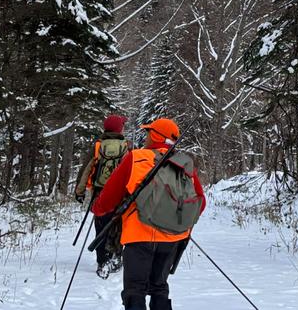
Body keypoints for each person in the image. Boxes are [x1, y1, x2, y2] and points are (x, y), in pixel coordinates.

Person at [92, 118, 206, 310]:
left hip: (139, 237)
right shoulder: (184, 164)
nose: (145, 137)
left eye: (148, 133)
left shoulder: (136, 157)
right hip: (173, 239)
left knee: (134, 290)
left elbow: (109, 197)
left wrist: (98, 208)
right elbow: (200, 202)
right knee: (159, 288)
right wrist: (173, 220)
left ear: (155, 136)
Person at [74, 114, 129, 276]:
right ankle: (116, 257)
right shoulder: (126, 147)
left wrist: (80, 191)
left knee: (101, 227)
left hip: (100, 194)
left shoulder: (98, 146)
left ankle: (102, 260)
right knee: (118, 227)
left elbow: (86, 170)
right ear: (119, 129)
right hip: (120, 196)